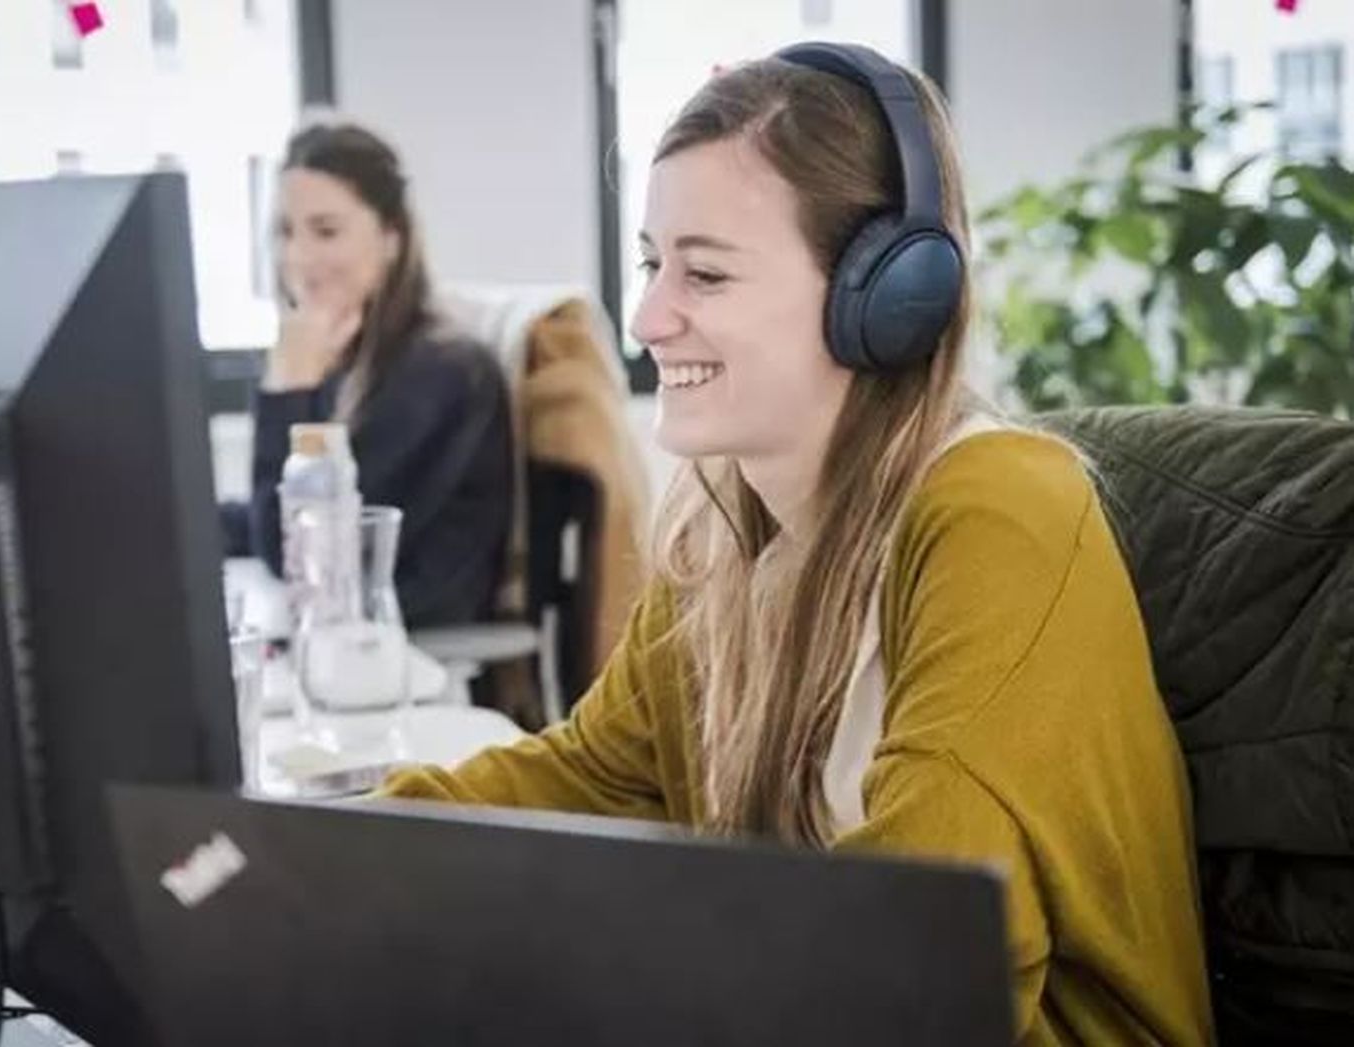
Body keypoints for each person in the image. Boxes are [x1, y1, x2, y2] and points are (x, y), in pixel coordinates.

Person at [382, 44, 1213, 1042]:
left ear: (884, 297)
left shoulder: (1000, 512)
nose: (647, 317)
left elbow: (914, 956)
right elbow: (587, 778)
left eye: (705, 272)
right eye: (652, 262)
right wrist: (321, 848)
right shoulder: (722, 537)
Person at [248, 121, 512, 629]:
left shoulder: (443, 372)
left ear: (391, 238)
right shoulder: (347, 360)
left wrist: (287, 392)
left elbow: (296, 551)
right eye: (285, 232)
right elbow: (271, 522)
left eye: (325, 231)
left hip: (408, 651)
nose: (297, 258)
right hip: (356, 634)